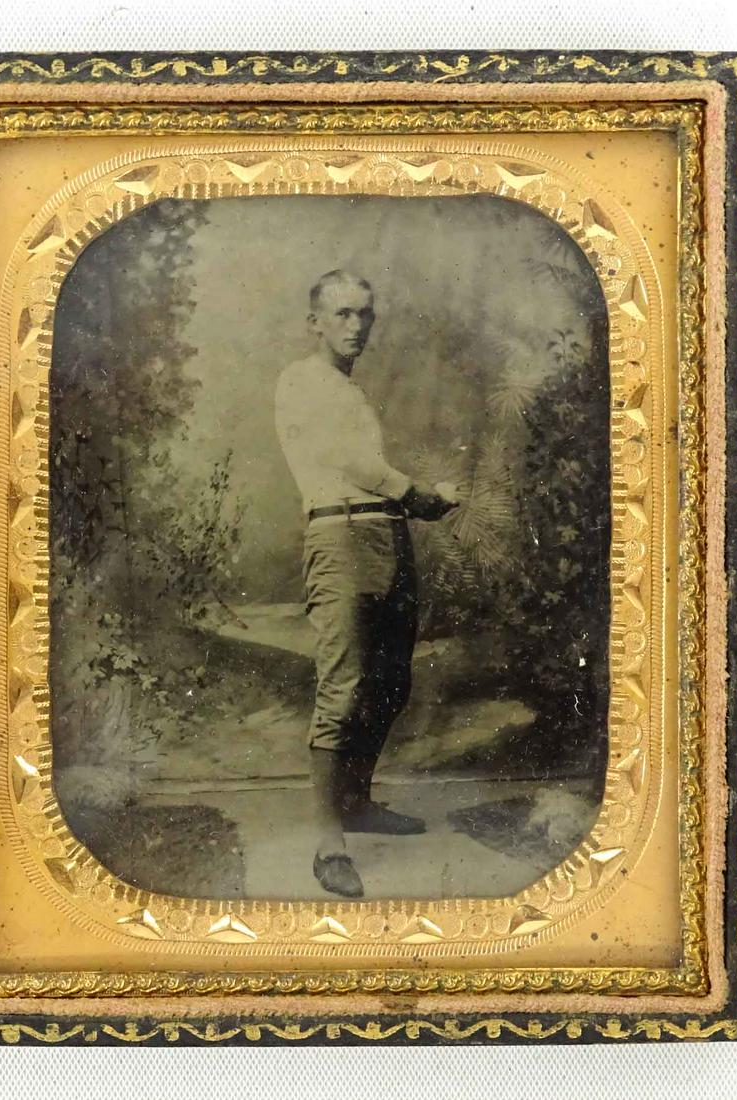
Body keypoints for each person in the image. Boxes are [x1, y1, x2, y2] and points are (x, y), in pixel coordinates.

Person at [274, 269, 457, 898]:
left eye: (365, 315)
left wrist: (415, 503)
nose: (356, 326)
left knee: (392, 680)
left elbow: (368, 471)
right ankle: (330, 844)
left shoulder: (349, 389)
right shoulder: (302, 381)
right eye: (344, 314)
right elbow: (342, 460)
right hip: (340, 537)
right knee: (344, 685)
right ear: (315, 322)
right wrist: (416, 492)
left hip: (386, 536)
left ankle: (357, 801)